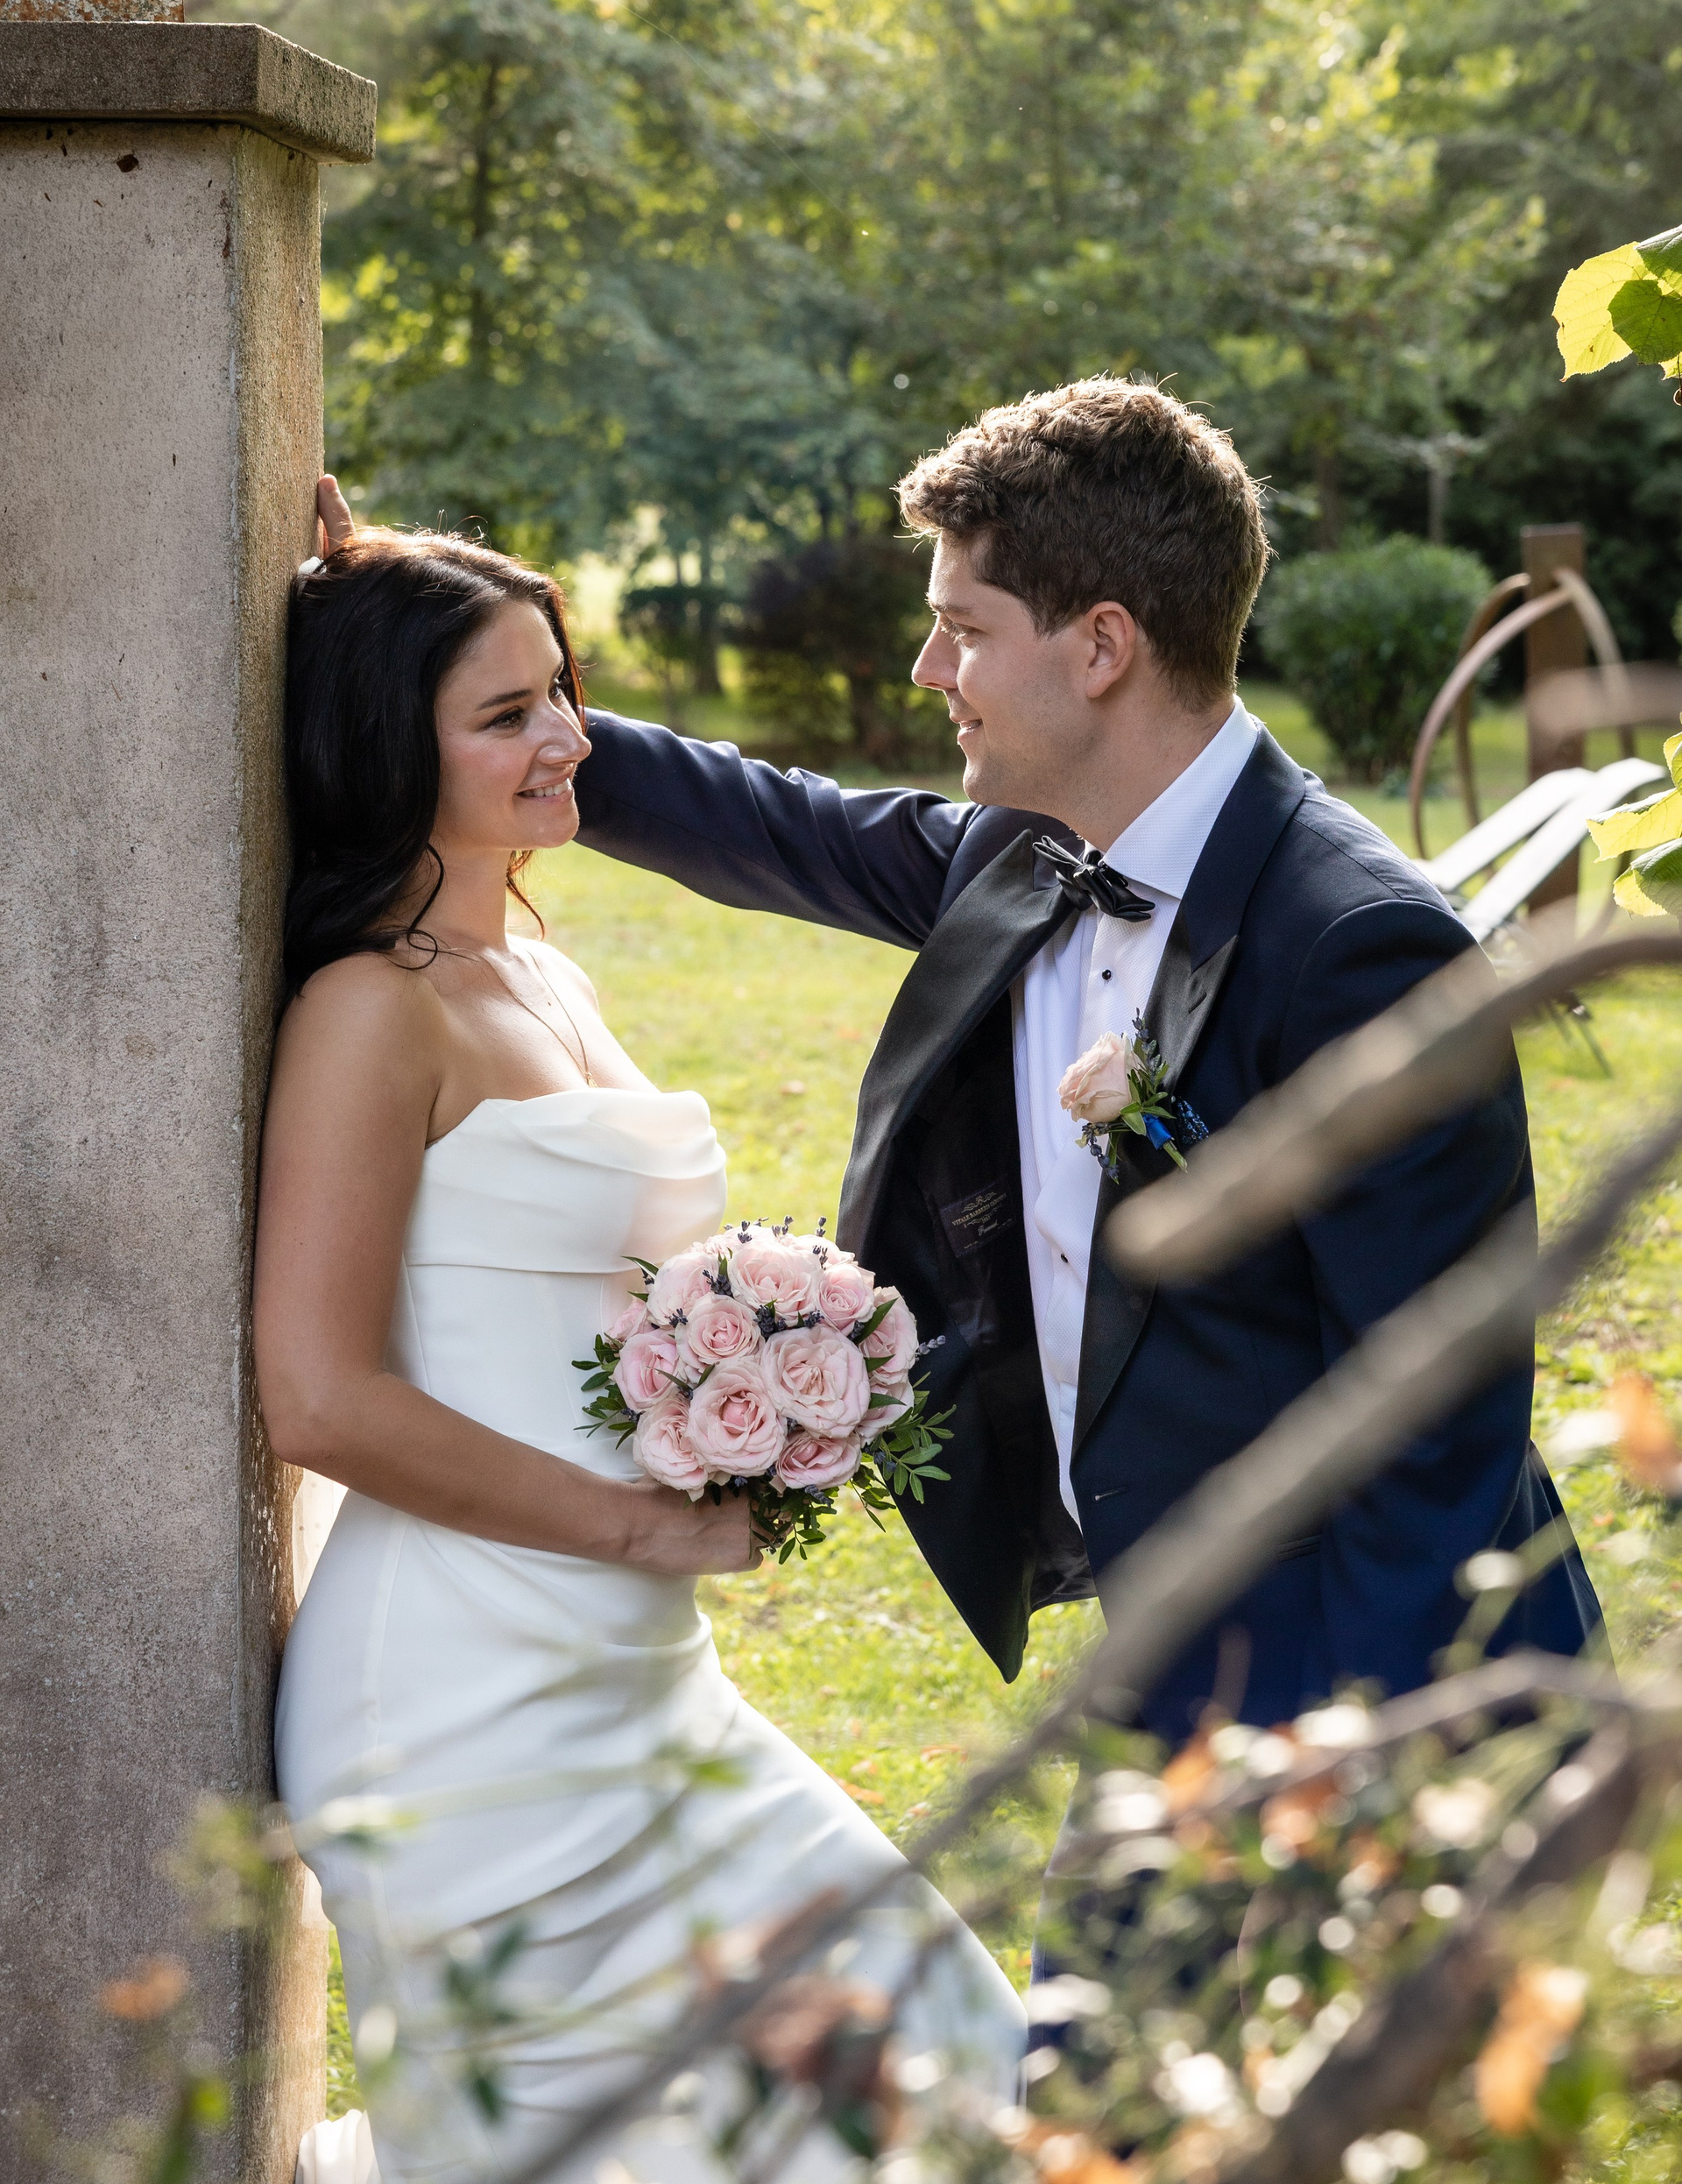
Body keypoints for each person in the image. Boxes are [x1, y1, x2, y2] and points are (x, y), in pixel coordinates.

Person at [316, 376, 1600, 1743]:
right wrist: (455, 669)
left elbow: (1434, 1422)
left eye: (963, 630)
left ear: (1100, 647)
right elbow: (772, 824)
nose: (930, 671)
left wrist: (1364, 1771)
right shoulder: (1026, 849)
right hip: (1176, 1640)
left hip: (1378, 1673)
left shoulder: (1359, 949)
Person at [258, 533, 1023, 2184]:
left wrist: (774, 1391)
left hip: (637, 1673)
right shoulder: (370, 1011)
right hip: (462, 1695)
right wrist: (640, 1523)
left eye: (561, 693)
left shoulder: (544, 968)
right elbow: (317, 1396)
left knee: (944, 2038)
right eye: (504, 716)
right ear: (388, 744)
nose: (565, 739)